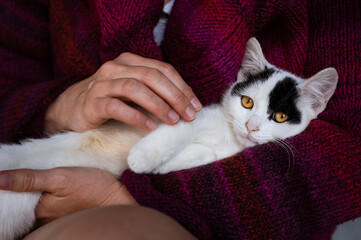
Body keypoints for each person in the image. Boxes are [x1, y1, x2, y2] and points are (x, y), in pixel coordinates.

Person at [0, 0, 360, 239]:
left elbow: (348, 155)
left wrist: (130, 198)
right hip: (44, 162)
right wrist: (55, 107)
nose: (252, 125)